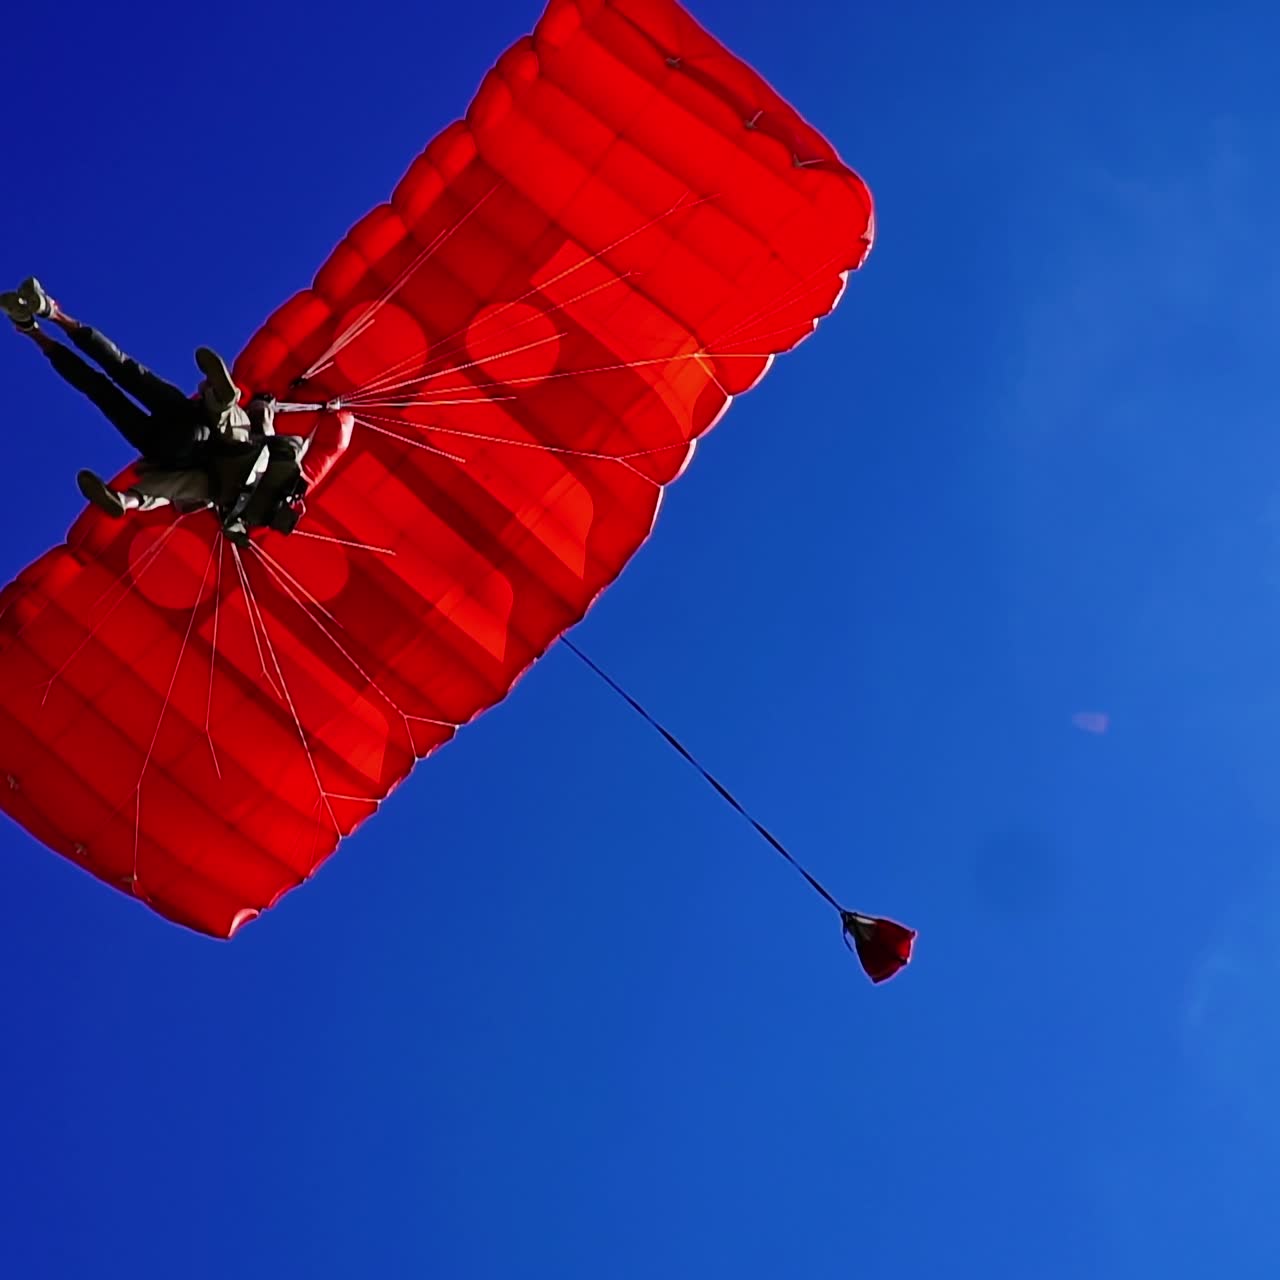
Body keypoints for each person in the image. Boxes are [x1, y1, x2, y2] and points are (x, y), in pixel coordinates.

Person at [1, 276, 353, 539]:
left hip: (192, 424)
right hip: (163, 451)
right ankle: (32, 330)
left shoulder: (279, 462)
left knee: (125, 369)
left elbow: (280, 424)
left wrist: (325, 410)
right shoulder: (234, 506)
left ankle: (53, 314)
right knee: (99, 392)